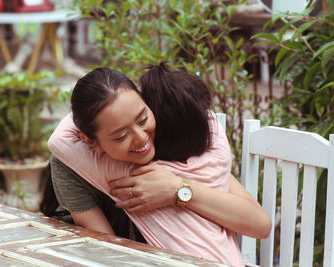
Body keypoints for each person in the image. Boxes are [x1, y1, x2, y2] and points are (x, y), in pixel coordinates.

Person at [47, 64, 271, 266]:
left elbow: (259, 224)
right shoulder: (71, 166)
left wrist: (178, 189)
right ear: (89, 140)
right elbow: (109, 255)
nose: (141, 138)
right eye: (121, 135)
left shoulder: (173, 141)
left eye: (143, 118)